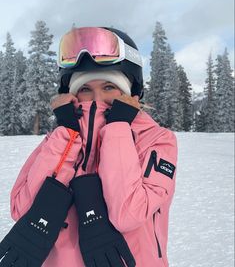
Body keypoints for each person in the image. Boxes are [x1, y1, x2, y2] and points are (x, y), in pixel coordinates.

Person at [8, 27, 178, 266]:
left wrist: (118, 127)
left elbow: (128, 214)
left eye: (109, 87)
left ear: (130, 93)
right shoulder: (59, 139)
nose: (97, 98)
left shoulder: (156, 140)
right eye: (85, 89)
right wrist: (66, 135)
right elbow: (22, 210)